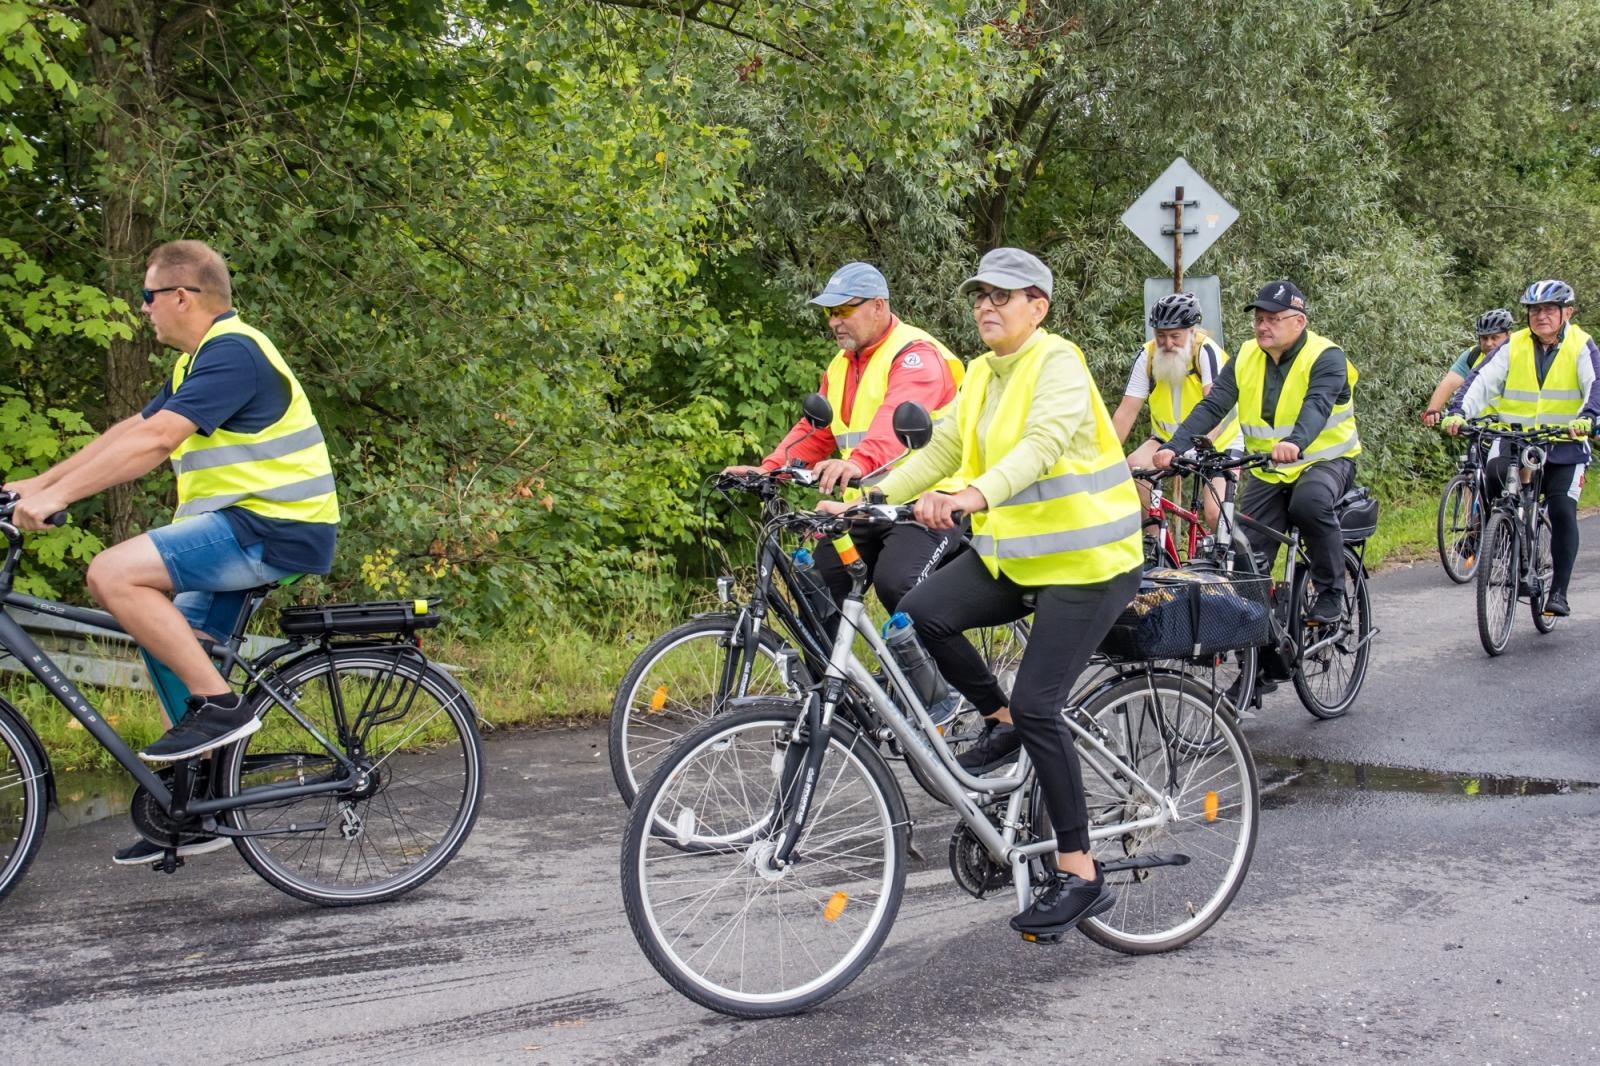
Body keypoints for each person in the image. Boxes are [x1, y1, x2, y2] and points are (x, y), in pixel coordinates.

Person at [4, 240, 339, 863]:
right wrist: (38, 486)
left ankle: (222, 706)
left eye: (148, 297)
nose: (144, 311)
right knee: (171, 643)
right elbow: (130, 430)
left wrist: (58, 496)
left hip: (271, 526)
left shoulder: (235, 353)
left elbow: (157, 441)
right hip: (239, 526)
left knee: (112, 573)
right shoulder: (197, 363)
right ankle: (200, 804)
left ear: (182, 296)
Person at [873, 247, 1143, 939]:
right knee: (921, 612)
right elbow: (938, 449)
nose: (986, 306)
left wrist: (971, 495)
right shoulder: (985, 373)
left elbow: (1043, 446)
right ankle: (999, 721)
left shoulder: (1057, 362)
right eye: (980, 296)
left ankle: (1080, 870)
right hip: (1023, 560)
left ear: (1038, 307)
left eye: (1004, 295)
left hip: (1089, 561)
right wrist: (863, 497)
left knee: (1041, 703)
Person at [724, 262, 964, 613]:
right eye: (830, 312)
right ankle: (835, 669)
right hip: (865, 504)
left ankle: (942, 670)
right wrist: (770, 469)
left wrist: (855, 463)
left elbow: (891, 424)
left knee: (898, 585)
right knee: (817, 587)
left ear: (878, 306)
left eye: (844, 310)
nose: (834, 321)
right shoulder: (840, 365)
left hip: (925, 504)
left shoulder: (915, 355)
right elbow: (816, 432)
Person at [1156, 280, 1360, 627]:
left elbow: (1317, 404)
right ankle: (1261, 666)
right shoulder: (1247, 355)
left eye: (1273, 319)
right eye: (1259, 319)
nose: (1263, 326)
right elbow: (1213, 405)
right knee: (1242, 557)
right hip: (1269, 470)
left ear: (1299, 321)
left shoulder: (1326, 356)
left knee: (1308, 504)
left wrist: (1295, 442)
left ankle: (1330, 593)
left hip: (1324, 461)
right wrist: (1174, 446)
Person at [1443, 280, 1600, 617]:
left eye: (1548, 310)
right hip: (1516, 440)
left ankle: (1558, 591)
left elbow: (1594, 383)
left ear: (1566, 313)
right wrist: (1457, 412)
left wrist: (1588, 417)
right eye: (1534, 310)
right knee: (1495, 481)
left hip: (1564, 444)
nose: (1540, 316)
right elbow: (1482, 380)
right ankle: (1513, 545)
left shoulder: (1580, 344)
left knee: (1561, 510)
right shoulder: (1513, 345)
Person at [1109, 292, 1240, 530]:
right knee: (1134, 467)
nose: (1167, 344)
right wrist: (1102, 458)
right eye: (1161, 336)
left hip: (1217, 441)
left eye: (1175, 336)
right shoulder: (1147, 355)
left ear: (1192, 332)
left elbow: (1216, 411)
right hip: (1166, 439)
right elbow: (1126, 413)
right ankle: (1156, 543)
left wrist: (1192, 450)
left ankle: (1228, 562)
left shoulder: (1206, 352)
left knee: (1214, 515)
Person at [1422, 309, 1513, 426]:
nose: (1489, 343)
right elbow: (1449, 383)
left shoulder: (1518, 355)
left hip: (1514, 431)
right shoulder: (1473, 355)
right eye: (1484, 338)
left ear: (1508, 335)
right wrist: (1433, 410)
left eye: (1495, 337)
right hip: (1480, 431)